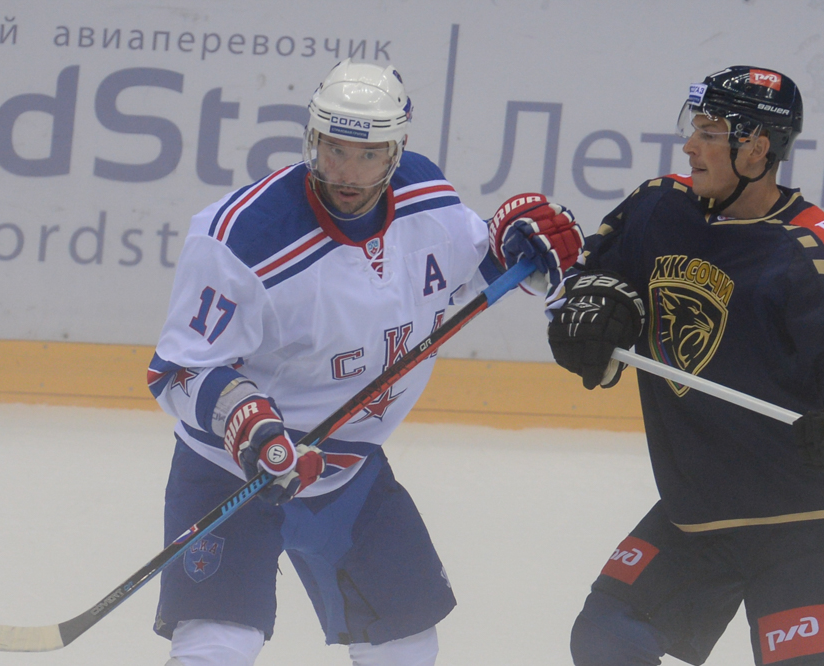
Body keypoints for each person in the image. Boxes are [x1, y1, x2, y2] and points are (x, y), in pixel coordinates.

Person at [146, 59, 582, 666]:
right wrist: (244, 418)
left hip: (348, 467)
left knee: (405, 641)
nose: (347, 172)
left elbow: (458, 278)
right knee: (219, 644)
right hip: (232, 471)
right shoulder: (239, 238)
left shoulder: (427, 197)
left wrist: (514, 251)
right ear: (312, 139)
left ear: (396, 151)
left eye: (369, 155)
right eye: (334, 150)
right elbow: (177, 371)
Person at [545, 66, 824, 666]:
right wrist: (589, 309)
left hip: (805, 521)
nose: (690, 146)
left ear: (756, 147)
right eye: (694, 128)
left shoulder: (816, 249)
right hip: (697, 510)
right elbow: (585, 282)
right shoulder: (656, 209)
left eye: (709, 133)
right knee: (607, 636)